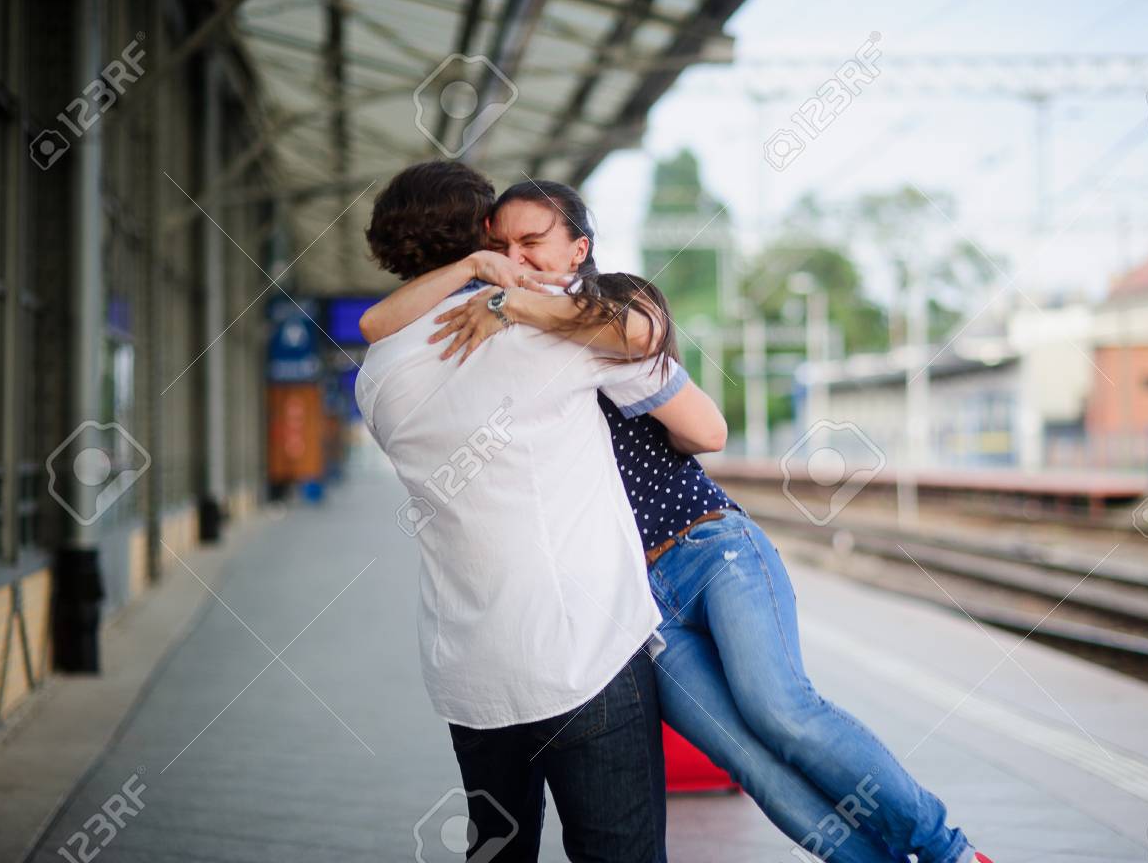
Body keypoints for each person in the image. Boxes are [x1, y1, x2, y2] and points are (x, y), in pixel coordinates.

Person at [362, 176, 993, 863]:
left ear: (579, 249)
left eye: (532, 241)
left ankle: (948, 850)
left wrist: (511, 301)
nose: (517, 258)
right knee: (749, 761)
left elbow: (702, 420)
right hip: (641, 603)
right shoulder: (503, 332)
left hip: (705, 546)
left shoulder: (594, 312)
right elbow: (378, 325)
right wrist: (492, 293)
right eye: (501, 245)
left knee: (782, 712)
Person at [355, 161, 723, 863]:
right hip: (587, 653)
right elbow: (704, 428)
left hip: (470, 672)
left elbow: (383, 325)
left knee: (499, 851)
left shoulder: (375, 378)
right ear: (486, 233)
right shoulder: (546, 327)